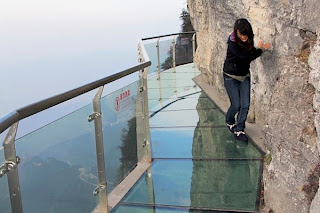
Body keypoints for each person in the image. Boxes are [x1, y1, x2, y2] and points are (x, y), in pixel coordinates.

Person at [223, 18, 271, 142]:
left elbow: (249, 52)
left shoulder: (249, 38)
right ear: (236, 32)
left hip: (244, 75)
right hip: (231, 76)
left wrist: (256, 49)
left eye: (246, 34)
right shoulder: (232, 43)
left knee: (245, 105)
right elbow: (246, 57)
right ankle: (229, 120)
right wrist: (261, 50)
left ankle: (239, 129)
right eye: (241, 34)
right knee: (236, 105)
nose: (244, 37)